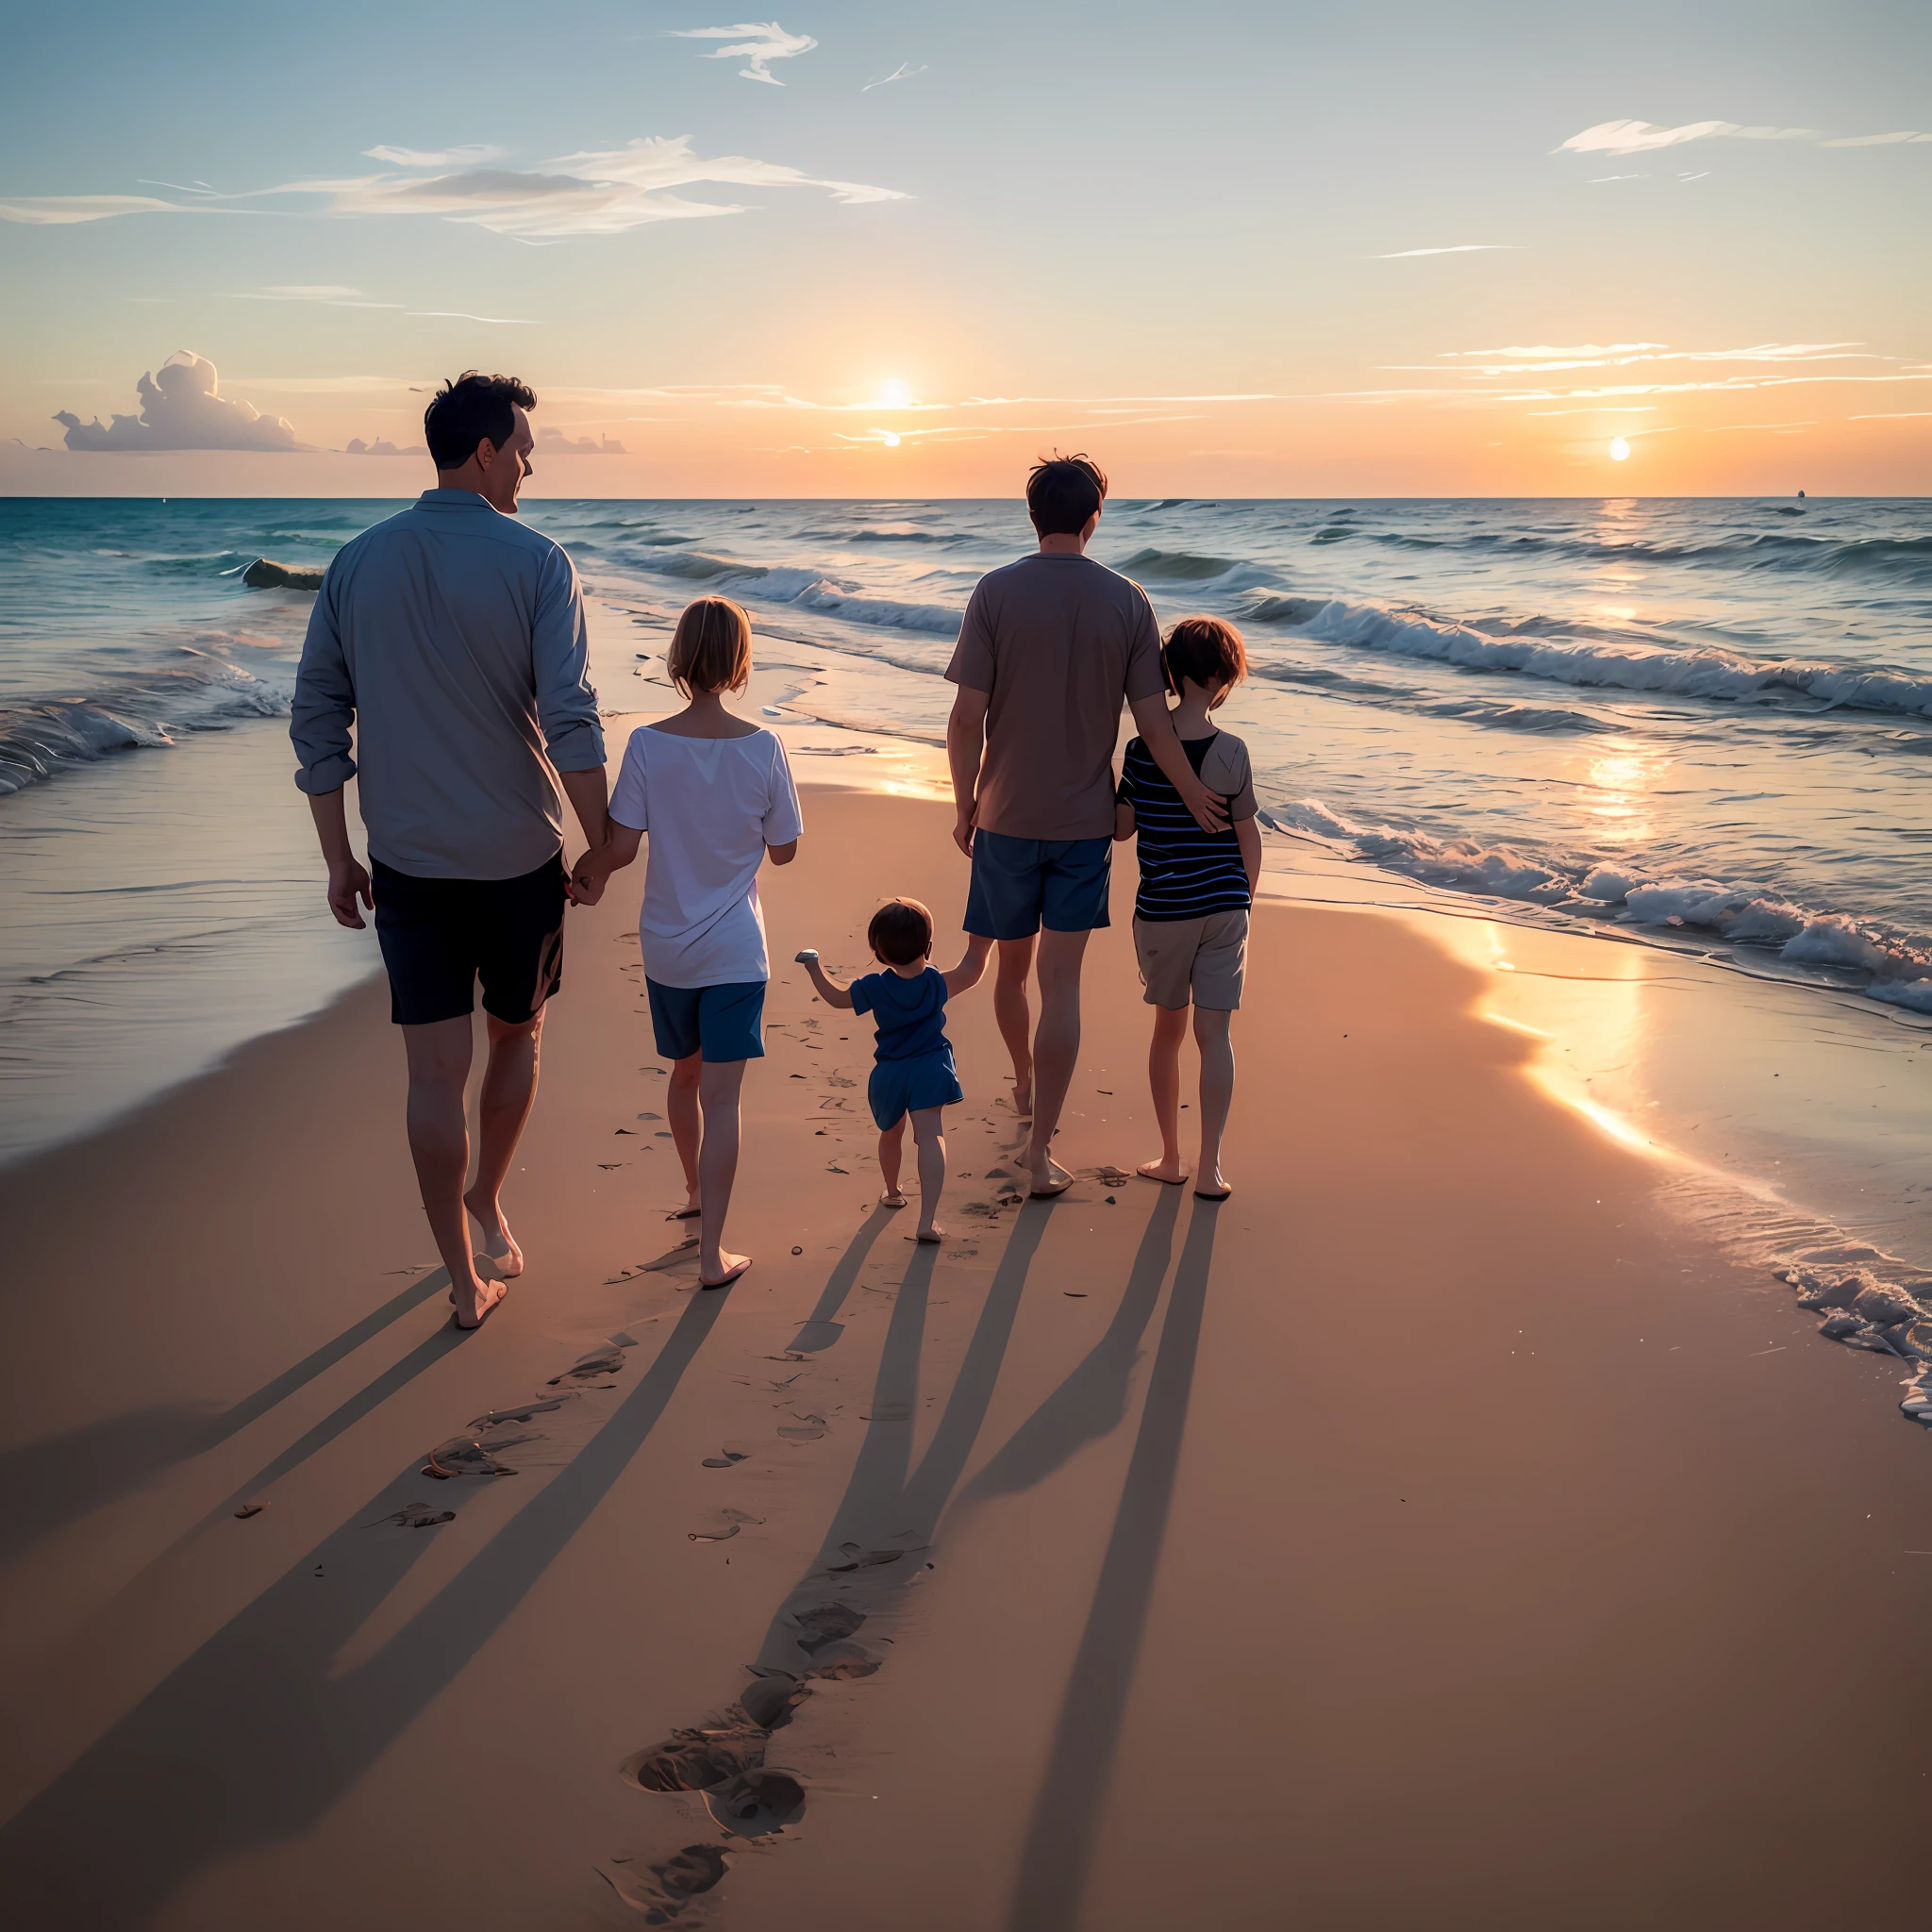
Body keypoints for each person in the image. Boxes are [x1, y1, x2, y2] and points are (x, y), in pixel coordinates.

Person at [291, 371, 608, 1329]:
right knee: (519, 1033)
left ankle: (462, 1281)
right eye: (520, 448)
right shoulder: (539, 561)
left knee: (432, 1075)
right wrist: (605, 842)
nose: (527, 464)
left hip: (408, 863)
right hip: (517, 858)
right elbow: (571, 715)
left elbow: (316, 715)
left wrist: (337, 856)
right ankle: (486, 1201)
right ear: (482, 449)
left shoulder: (356, 561)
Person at [944, 454, 1229, 1198]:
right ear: (1094, 516)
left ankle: (1024, 1080)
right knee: (1060, 985)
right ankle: (1040, 1152)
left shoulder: (994, 592)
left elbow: (965, 717)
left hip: (1005, 816)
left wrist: (963, 801)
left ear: (1032, 515)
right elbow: (1154, 727)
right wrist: (1197, 793)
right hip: (1082, 825)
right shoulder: (1127, 600)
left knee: (1010, 971)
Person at [571, 597, 802, 1289]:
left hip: (668, 946)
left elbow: (622, 847)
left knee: (686, 1074)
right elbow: (785, 852)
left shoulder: (647, 743)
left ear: (677, 659)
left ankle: (694, 1193)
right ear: (739, 663)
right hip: (735, 949)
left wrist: (585, 875)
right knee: (724, 1100)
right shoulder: (763, 746)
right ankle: (713, 1255)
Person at [1113, 615, 1261, 1201]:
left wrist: (1109, 777)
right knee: (1215, 1036)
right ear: (1224, 678)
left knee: (1167, 1033)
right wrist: (1242, 900)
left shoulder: (1141, 750)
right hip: (1224, 905)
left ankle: (1172, 1157)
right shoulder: (1232, 752)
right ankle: (1211, 1169)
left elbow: (1122, 830)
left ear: (1170, 673)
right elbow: (1249, 838)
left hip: (1165, 908)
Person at [793, 899, 987, 1243]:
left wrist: (813, 967)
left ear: (878, 953)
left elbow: (837, 998)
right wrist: (986, 932)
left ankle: (893, 1191)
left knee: (891, 1133)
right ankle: (927, 1220)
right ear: (928, 946)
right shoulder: (937, 983)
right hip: (930, 1067)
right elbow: (972, 969)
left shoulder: (874, 987)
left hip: (890, 1073)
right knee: (931, 1136)